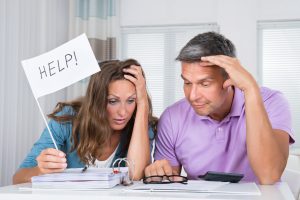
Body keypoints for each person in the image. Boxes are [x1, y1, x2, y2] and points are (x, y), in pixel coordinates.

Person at [144, 32, 294, 184]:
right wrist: (159, 174)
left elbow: (269, 175)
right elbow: (170, 185)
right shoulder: (172, 117)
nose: (193, 96)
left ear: (230, 78)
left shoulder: (271, 102)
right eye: (188, 83)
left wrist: (250, 88)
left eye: (205, 84)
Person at [13, 59, 157, 184]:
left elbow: (135, 175)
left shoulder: (140, 124)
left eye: (131, 100)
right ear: (96, 100)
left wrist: (143, 102)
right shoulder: (67, 120)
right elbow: (17, 178)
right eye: (113, 101)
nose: (123, 112)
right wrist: (40, 170)